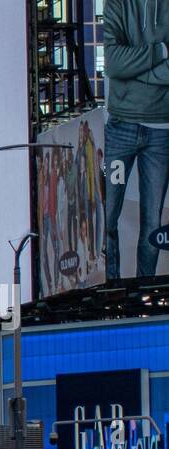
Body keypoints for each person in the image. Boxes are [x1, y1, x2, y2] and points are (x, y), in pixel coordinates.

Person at [103, 0, 169, 280]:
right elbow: (113, 63)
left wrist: (133, 72)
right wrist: (161, 51)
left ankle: (145, 293)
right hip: (121, 127)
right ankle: (110, 291)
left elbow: (122, 67)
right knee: (107, 217)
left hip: (161, 130)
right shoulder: (117, 2)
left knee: (152, 224)